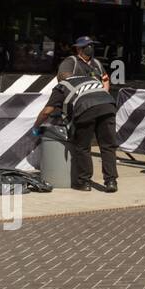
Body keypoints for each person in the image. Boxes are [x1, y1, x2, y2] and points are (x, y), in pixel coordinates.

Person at [34, 46, 120, 192]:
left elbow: (46, 111)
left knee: (82, 147)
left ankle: (84, 182)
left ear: (58, 78)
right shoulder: (87, 78)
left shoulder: (61, 86)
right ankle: (111, 182)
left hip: (86, 109)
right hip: (108, 105)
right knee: (107, 146)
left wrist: (36, 126)